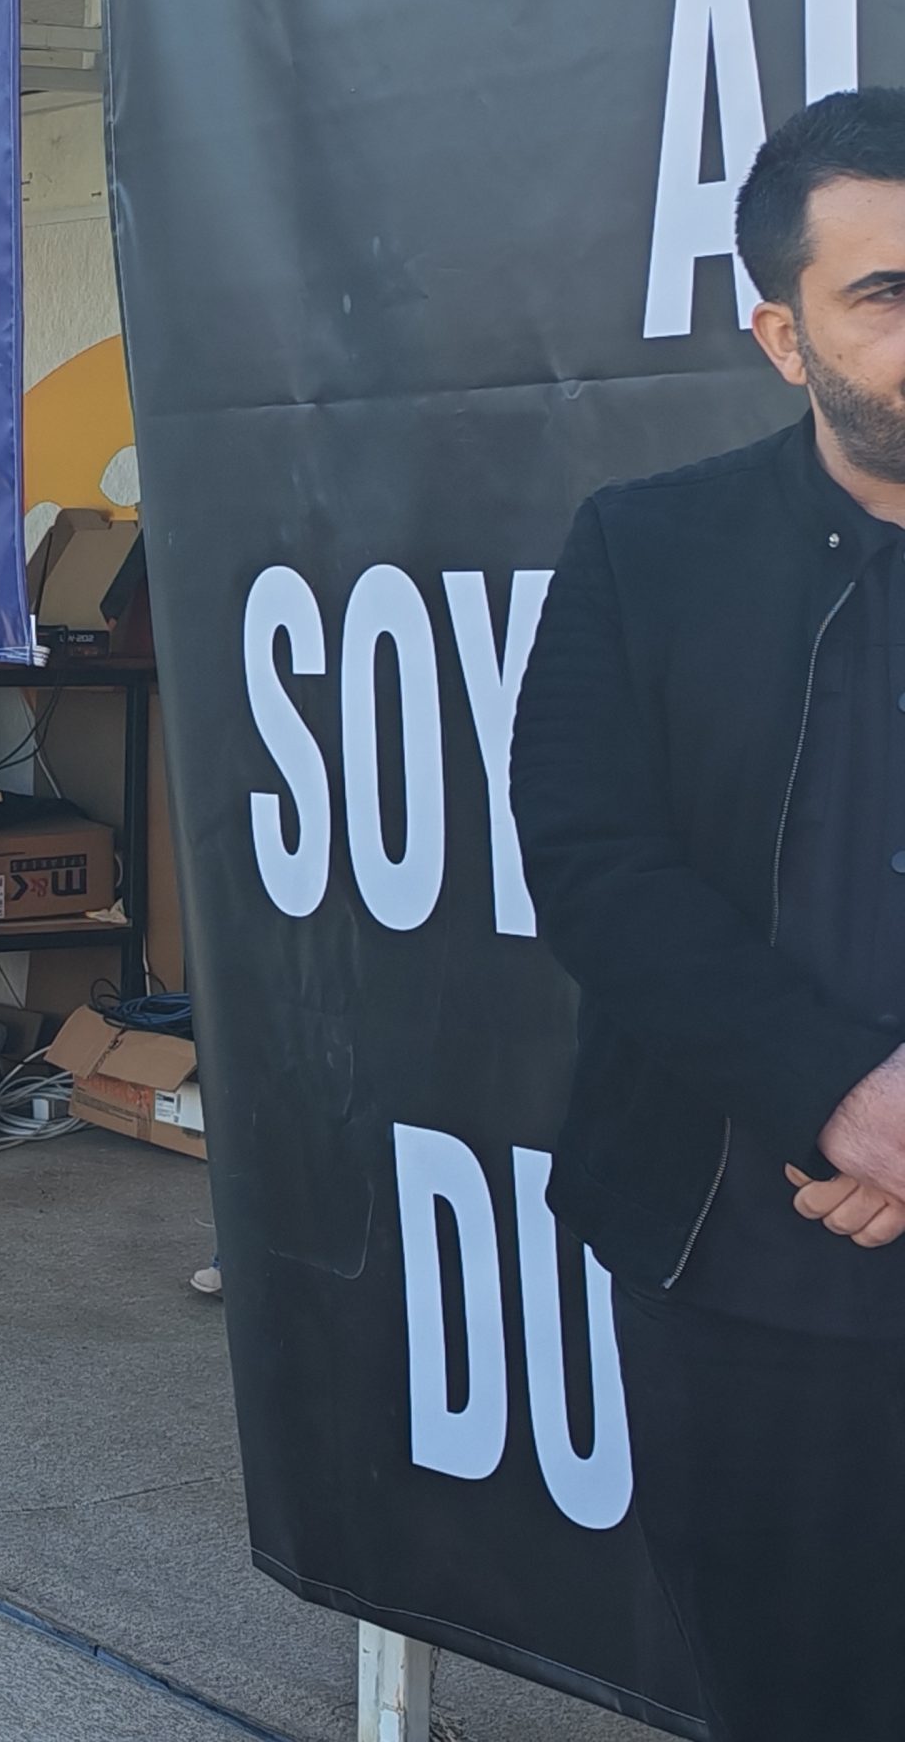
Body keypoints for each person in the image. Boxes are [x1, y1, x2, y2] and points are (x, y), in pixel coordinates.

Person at [512, 88, 905, 1739]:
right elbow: (593, 864)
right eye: (886, 295)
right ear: (781, 334)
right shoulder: (650, 552)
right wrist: (845, 1097)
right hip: (742, 1274)